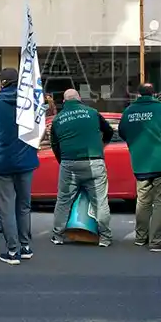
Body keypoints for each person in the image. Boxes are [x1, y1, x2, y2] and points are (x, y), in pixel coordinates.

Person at [0, 68, 39, 266]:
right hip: (26, 159)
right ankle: (26, 246)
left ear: (1, 83)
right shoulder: (29, 104)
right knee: (24, 205)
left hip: (2, 161)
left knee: (6, 207)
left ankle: (13, 251)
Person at [118, 83, 161, 253]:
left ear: (138, 94)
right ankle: (156, 241)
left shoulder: (129, 112)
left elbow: (122, 132)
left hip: (141, 163)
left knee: (142, 201)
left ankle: (141, 237)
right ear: (154, 94)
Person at [50, 89, 115, 247]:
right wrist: (101, 147)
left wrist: (63, 161)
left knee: (63, 200)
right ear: (79, 99)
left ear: (64, 102)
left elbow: (55, 145)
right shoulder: (92, 113)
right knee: (100, 202)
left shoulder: (57, 120)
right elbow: (109, 131)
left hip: (69, 163)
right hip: (93, 162)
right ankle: (105, 238)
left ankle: (58, 235)